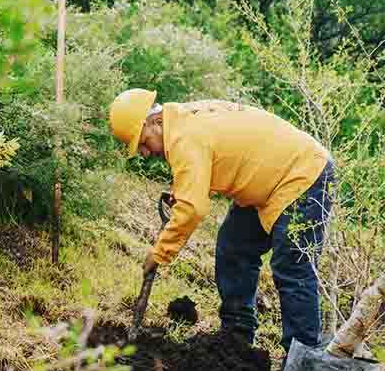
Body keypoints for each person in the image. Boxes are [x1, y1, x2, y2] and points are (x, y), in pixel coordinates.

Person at [109, 89, 335, 353]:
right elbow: (213, 160)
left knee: (292, 267)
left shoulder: (184, 137)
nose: (145, 153)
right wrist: (183, 190)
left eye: (144, 143)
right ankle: (236, 342)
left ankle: (301, 360)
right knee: (233, 248)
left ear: (156, 121)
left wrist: (160, 253)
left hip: (303, 175)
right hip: (269, 181)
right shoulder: (182, 120)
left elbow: (192, 209)